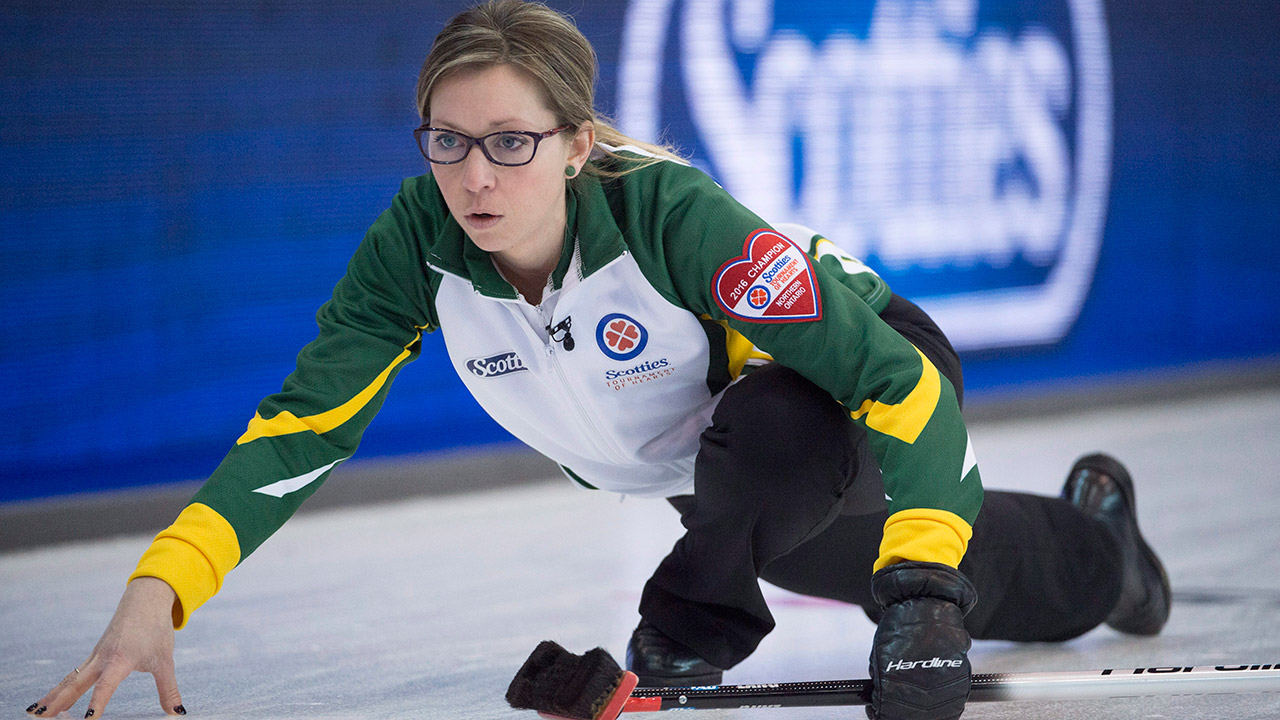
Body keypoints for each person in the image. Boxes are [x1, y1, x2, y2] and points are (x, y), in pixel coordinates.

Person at [25, 2, 1171, 719]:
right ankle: (1103, 554)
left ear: (576, 145)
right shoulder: (414, 246)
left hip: (848, 379)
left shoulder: (670, 218)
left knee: (783, 462)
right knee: (844, 543)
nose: (474, 176)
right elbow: (300, 432)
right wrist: (160, 586)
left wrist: (919, 598)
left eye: (509, 143)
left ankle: (686, 626)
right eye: (447, 141)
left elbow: (888, 382)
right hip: (720, 473)